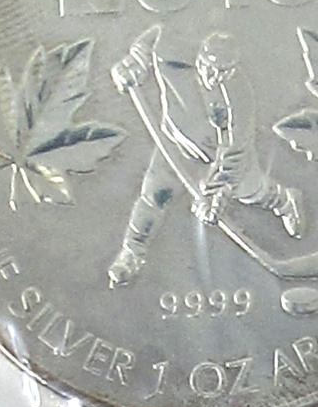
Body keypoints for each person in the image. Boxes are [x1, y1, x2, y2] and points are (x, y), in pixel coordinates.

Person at [108, 27, 304, 288]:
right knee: (154, 195)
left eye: (224, 71)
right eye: (209, 67)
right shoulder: (171, 55)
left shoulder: (238, 96)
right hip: (175, 144)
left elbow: (235, 149)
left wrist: (219, 192)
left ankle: (284, 201)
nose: (214, 77)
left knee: (250, 191)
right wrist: (136, 59)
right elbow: (156, 34)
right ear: (200, 56)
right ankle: (132, 253)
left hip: (220, 158)